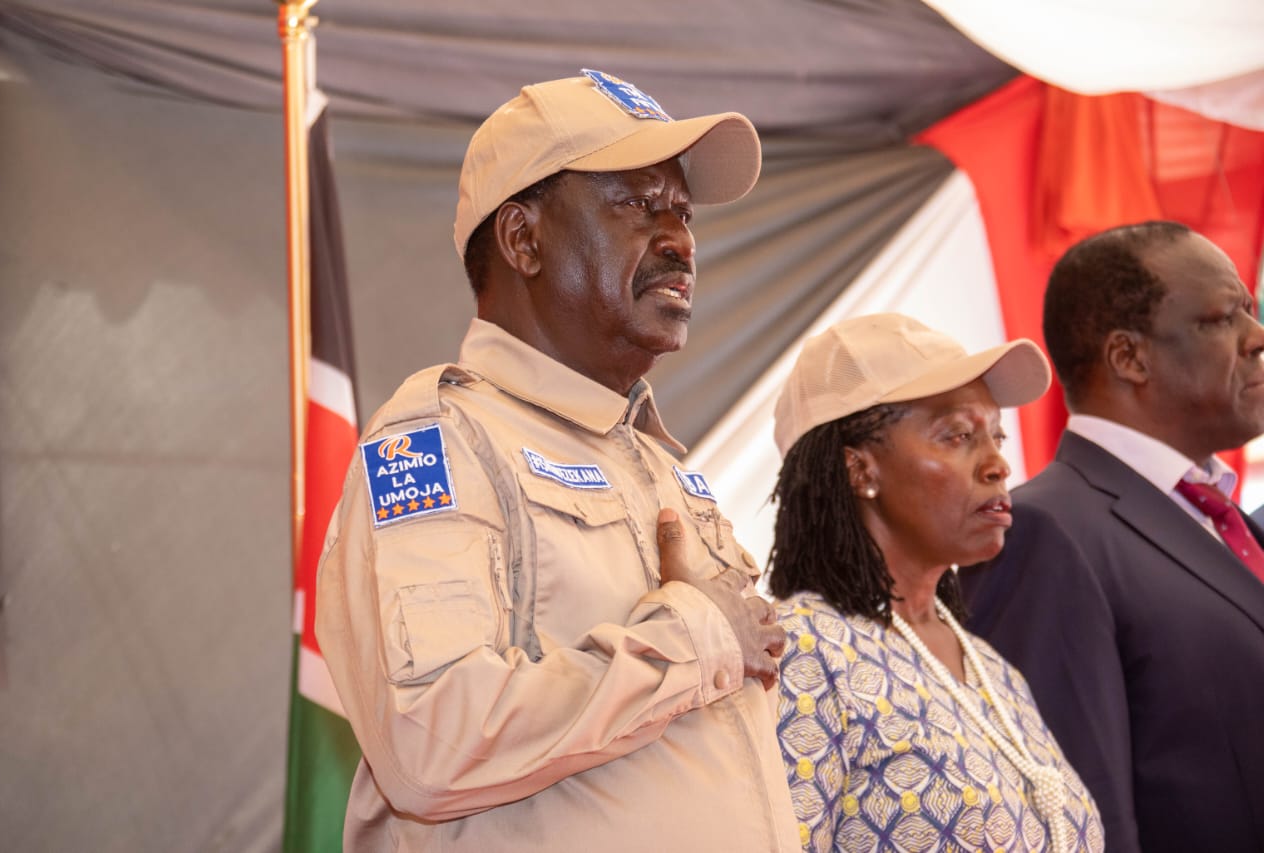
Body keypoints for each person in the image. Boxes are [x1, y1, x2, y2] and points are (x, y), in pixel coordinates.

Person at [314, 69, 801, 851]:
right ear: (522, 238)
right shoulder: (440, 439)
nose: (679, 239)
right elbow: (430, 742)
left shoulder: (658, 463)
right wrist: (695, 636)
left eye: (681, 210)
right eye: (637, 204)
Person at [960, 220, 1264, 852]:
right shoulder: (1046, 533)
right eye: (1222, 318)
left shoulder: (1222, 518)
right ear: (1129, 357)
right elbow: (1078, 813)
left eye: (1252, 312)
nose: (1256, 338)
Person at [768, 313, 1104, 852]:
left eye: (996, 435)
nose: (997, 463)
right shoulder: (802, 653)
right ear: (860, 470)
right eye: (958, 436)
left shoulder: (993, 670)